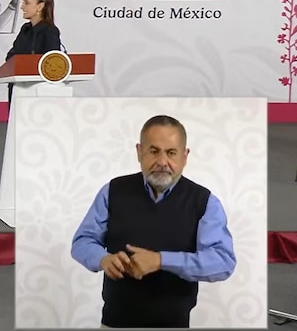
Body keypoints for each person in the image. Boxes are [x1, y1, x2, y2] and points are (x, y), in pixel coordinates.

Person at [70, 115, 237, 328]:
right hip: (114, 322)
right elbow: (82, 241)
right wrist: (103, 259)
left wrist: (160, 260)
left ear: (185, 157)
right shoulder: (113, 191)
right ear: (139, 152)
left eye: (171, 153)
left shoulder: (204, 202)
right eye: (154, 151)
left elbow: (223, 261)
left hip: (173, 323)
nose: (162, 162)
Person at [4, 0, 61, 104]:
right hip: (18, 88)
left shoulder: (50, 31)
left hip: (38, 92)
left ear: (40, 6)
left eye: (27, 3)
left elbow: (52, 63)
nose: (22, 7)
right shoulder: (25, 29)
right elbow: (11, 56)